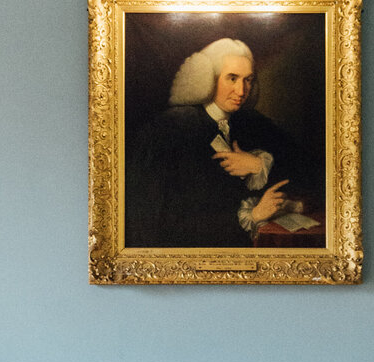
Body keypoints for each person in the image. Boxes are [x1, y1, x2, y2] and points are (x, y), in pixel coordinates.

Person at [125, 38, 311, 248]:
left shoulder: (250, 121)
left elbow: (305, 167)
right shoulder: (172, 128)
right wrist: (254, 215)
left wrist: (258, 165)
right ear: (208, 78)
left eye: (248, 80)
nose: (241, 91)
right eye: (232, 78)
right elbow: (160, 221)